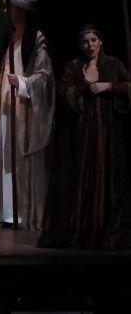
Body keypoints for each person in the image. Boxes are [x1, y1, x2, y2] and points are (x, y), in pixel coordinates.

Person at [39, 25, 131, 249]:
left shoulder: (113, 65)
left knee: (107, 180)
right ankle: (82, 228)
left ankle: (104, 231)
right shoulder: (74, 67)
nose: (90, 45)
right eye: (85, 42)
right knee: (80, 179)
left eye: (93, 40)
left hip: (107, 135)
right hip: (80, 135)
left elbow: (129, 86)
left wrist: (109, 86)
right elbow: (65, 95)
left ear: (100, 42)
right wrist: (84, 83)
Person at [0, 0, 54, 230]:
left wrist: (23, 83)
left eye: (9, 7)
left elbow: (45, 77)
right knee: (5, 158)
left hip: (25, 108)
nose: (5, 12)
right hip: (6, 107)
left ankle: (23, 213)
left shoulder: (36, 40)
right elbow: (2, 70)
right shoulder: (9, 39)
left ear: (21, 10)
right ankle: (7, 211)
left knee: (21, 160)